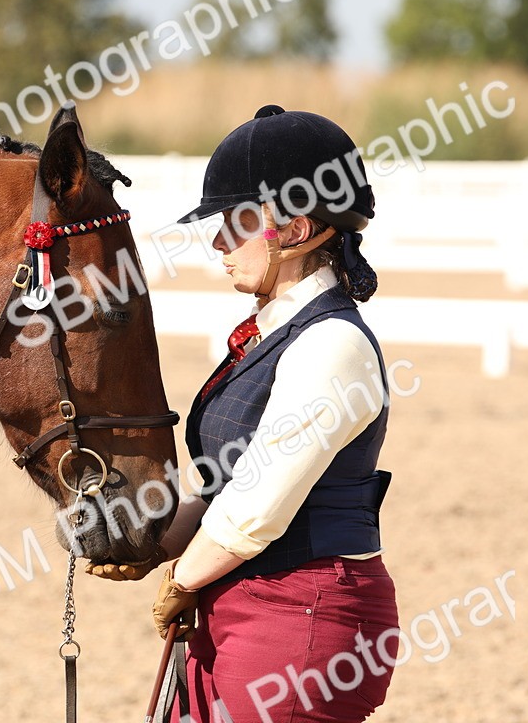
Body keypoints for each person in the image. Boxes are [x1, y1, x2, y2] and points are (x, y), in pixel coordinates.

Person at [87, 105, 399, 722]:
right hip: (238, 599)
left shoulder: (334, 345)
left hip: (304, 614)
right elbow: (228, 490)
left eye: (237, 223)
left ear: (298, 227)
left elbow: (258, 506)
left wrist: (183, 578)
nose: (220, 242)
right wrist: (146, 535)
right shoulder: (266, 337)